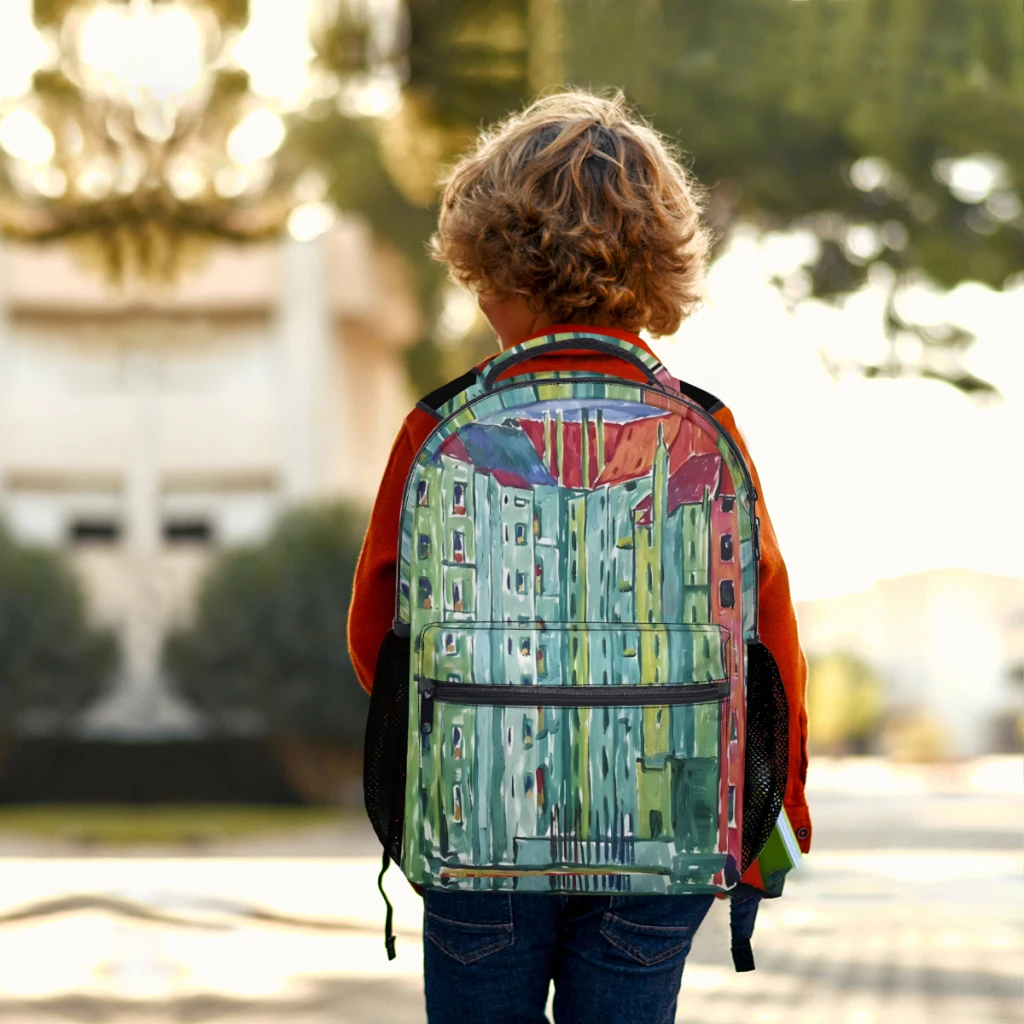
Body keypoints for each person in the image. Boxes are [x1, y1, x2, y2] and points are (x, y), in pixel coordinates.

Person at [348, 89, 810, 1024]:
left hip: (481, 825)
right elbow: (766, 640)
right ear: (659, 270)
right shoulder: (706, 429)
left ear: (491, 270)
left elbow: (376, 636)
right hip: (661, 829)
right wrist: (777, 814)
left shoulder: (441, 428)